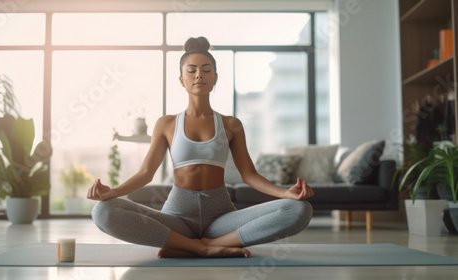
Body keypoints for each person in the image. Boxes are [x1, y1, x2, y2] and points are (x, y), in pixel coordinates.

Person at [87, 36, 314, 258]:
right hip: (177, 217)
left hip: (221, 218)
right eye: (191, 70)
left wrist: (285, 193)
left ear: (215, 77)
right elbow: (146, 174)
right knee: (103, 211)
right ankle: (201, 248)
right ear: (181, 79)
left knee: (299, 210)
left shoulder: (231, 124)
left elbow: (249, 175)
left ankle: (206, 244)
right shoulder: (166, 124)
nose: (199, 75)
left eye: (206, 70)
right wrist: (113, 192)